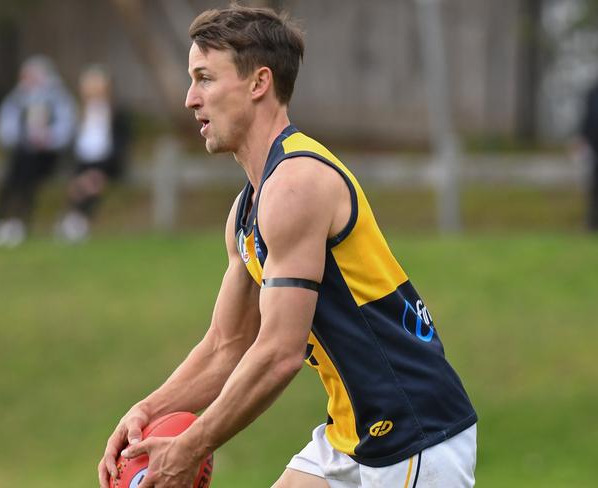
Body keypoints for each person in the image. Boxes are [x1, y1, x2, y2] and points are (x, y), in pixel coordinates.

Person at [98, 5, 477, 488]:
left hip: (413, 434)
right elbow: (226, 346)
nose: (190, 99)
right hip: (352, 435)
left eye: (205, 79)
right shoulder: (247, 210)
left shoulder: (297, 184)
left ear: (259, 83)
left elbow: (280, 353)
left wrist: (194, 443)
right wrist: (147, 412)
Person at [0, 55, 76, 248]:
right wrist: (21, 139)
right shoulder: (17, 99)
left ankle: (19, 220)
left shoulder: (57, 97)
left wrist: (48, 139)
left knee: (29, 178)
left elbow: (67, 127)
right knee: (11, 178)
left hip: (48, 155)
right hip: (21, 152)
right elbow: (6, 127)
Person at [54, 65, 130, 242]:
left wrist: (106, 168)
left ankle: (78, 221)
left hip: (105, 162)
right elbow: (73, 143)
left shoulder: (115, 114)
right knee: (79, 182)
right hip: (83, 161)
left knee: (92, 181)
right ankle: (74, 219)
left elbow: (120, 145)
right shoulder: (80, 113)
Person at [579, 80, 598, 232]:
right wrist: (582, 138)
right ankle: (592, 222)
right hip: (595, 146)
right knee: (594, 186)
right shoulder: (593, 91)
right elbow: (587, 117)